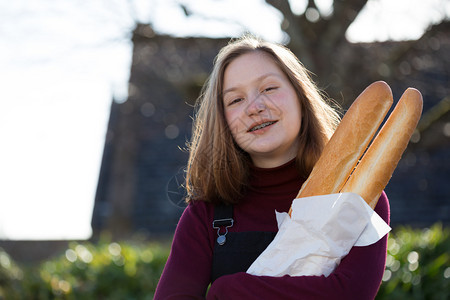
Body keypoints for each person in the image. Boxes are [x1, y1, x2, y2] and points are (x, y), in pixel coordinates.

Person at [154, 35, 390, 299]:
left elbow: (351, 293)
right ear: (222, 122)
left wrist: (229, 290)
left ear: (301, 98)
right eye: (235, 100)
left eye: (268, 89)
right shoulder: (205, 214)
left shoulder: (359, 198)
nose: (255, 107)